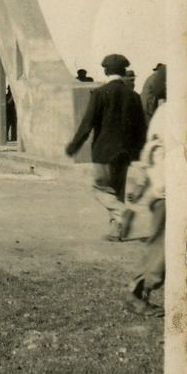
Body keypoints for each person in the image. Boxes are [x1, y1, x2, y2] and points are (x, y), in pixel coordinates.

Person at [65, 53, 147, 241]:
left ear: (105, 71)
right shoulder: (133, 96)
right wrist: (139, 153)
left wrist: (74, 146)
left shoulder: (100, 93)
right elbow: (141, 127)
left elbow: (87, 123)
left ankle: (122, 212)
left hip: (104, 152)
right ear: (124, 71)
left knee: (101, 189)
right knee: (117, 191)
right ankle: (116, 232)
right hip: (124, 153)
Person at [126, 100, 166, 315]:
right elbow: (151, 150)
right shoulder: (171, 112)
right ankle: (137, 293)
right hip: (170, 193)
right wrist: (144, 184)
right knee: (162, 247)